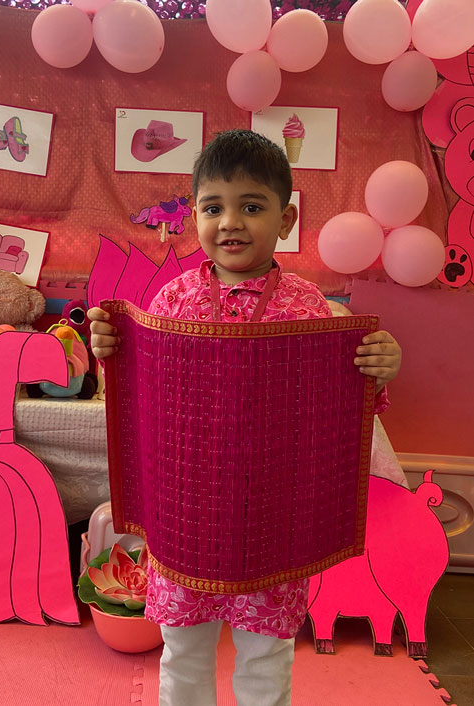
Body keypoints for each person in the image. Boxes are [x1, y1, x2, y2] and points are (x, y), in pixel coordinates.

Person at [88, 129, 402, 706]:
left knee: (265, 659)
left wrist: (379, 368)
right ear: (194, 217)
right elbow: (143, 399)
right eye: (213, 208)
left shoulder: (306, 306)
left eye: (251, 207)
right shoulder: (173, 300)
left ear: (286, 220)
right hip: (185, 514)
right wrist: (112, 352)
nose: (230, 222)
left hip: (273, 520)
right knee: (183, 653)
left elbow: (339, 407)